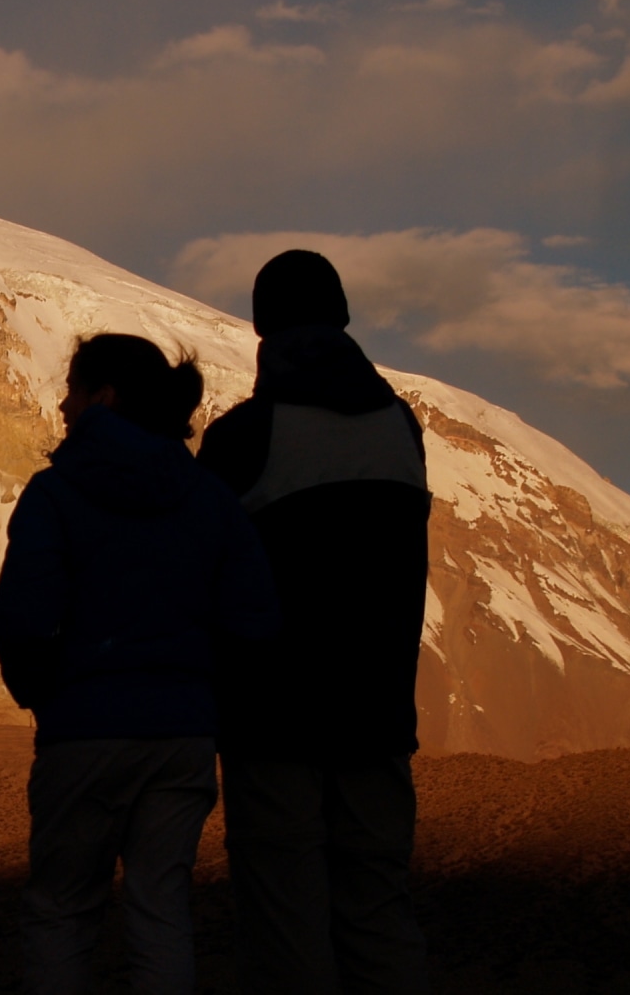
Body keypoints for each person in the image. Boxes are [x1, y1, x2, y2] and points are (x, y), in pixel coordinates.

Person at [0, 334, 278, 995]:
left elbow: (24, 620)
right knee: (161, 910)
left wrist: (48, 695)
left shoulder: (56, 495)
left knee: (62, 909)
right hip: (181, 736)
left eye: (73, 388)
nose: (62, 405)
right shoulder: (210, 498)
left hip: (84, 731)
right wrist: (204, 700)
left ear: (104, 396)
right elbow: (254, 620)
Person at [197, 249, 433, 993]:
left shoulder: (244, 438)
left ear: (263, 329)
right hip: (378, 716)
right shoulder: (402, 428)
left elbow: (204, 575)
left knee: (286, 922)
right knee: (379, 913)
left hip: (276, 723)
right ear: (343, 320)